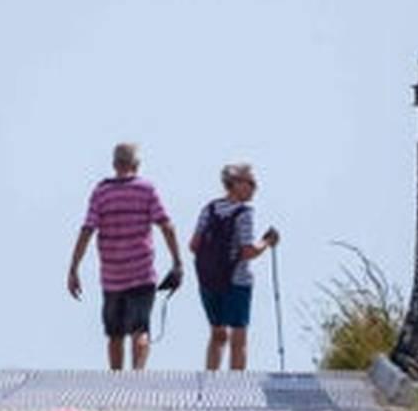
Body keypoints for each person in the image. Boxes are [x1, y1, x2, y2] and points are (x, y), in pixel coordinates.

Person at [67, 142, 183, 371]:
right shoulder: (146, 190)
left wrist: (74, 268)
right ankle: (137, 378)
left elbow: (87, 229)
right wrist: (177, 261)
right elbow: (166, 225)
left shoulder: (101, 192)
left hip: (112, 275)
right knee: (140, 330)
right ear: (136, 165)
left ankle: (116, 382)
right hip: (142, 272)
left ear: (114, 164)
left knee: (115, 334)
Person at [191, 162, 279, 371]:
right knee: (238, 337)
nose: (254, 187)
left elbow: (193, 245)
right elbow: (248, 251)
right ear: (236, 183)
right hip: (237, 281)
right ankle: (235, 387)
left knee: (217, 334)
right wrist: (267, 242)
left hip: (209, 281)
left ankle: (210, 383)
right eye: (251, 182)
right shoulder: (245, 213)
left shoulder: (209, 209)